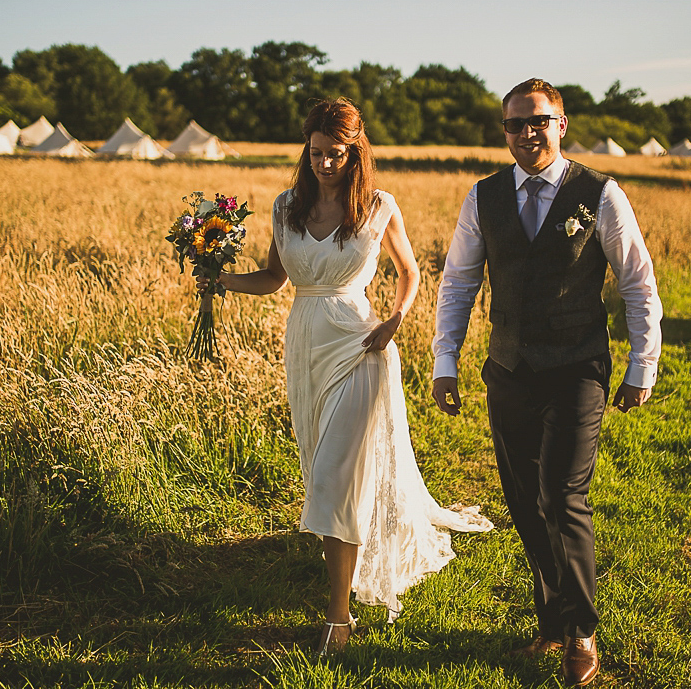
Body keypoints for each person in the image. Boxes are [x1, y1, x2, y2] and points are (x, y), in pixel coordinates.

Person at [205, 98, 491, 655]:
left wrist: (396, 320)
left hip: (362, 346)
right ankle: (340, 557)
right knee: (321, 466)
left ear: (355, 152)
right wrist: (221, 283)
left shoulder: (379, 206)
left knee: (338, 477)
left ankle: (338, 618)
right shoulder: (286, 207)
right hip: (306, 345)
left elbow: (410, 272)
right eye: (315, 153)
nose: (325, 164)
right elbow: (272, 278)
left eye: (336, 154)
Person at [431, 78, 662, 686]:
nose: (527, 132)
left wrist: (644, 363)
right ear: (504, 132)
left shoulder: (600, 194)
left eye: (539, 121)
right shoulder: (482, 198)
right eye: (515, 124)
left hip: (577, 366)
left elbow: (637, 281)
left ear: (562, 124)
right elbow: (457, 284)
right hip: (508, 367)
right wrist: (444, 361)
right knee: (523, 503)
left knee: (561, 496)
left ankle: (581, 631)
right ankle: (553, 620)